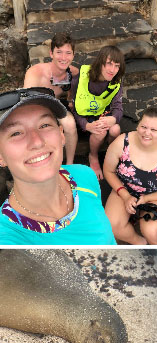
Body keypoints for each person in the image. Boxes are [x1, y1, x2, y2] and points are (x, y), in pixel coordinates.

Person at [0, 88, 115, 244]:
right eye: (16, 133)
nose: (37, 141)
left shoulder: (84, 176)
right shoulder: (8, 239)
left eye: (44, 125)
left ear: (61, 135)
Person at [102, 106, 157, 244]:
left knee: (151, 229)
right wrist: (125, 195)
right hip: (124, 189)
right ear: (138, 126)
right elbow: (108, 171)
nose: (147, 133)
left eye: (153, 130)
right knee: (111, 225)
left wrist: (147, 198)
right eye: (143, 127)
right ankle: (139, 242)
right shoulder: (122, 142)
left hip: (154, 194)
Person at [69, 45, 125, 179]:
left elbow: (118, 106)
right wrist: (86, 125)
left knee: (115, 129)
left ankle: (110, 155)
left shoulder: (116, 81)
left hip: (101, 114)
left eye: (117, 66)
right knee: (100, 132)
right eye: (109, 64)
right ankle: (93, 156)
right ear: (100, 63)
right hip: (83, 116)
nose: (113, 70)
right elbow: (72, 106)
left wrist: (113, 119)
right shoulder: (81, 77)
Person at [22, 32, 79, 163]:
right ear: (51, 54)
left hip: (54, 104)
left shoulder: (73, 72)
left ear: (73, 55)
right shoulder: (36, 72)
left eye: (68, 53)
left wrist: (70, 99)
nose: (63, 57)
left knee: (69, 124)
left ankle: (70, 164)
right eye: (59, 52)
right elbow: (26, 100)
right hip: (34, 108)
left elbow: (74, 88)